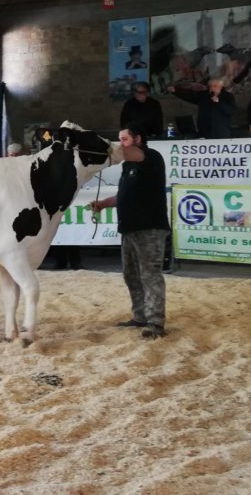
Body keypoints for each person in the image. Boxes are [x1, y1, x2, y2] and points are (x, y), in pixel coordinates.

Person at [89, 123, 170, 340]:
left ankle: (156, 322)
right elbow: (122, 196)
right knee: (131, 275)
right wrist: (104, 203)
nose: (121, 143)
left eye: (125, 139)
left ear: (138, 139)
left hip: (150, 227)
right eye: (120, 139)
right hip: (130, 228)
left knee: (150, 275)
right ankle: (140, 316)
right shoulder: (127, 167)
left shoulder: (151, 157)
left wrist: (101, 146)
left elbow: (129, 153)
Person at [167, 78, 235, 139]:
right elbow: (190, 95)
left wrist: (219, 102)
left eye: (215, 86)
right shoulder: (204, 95)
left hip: (221, 132)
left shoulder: (228, 96)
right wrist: (176, 91)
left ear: (221, 87)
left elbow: (230, 110)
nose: (212, 88)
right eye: (210, 86)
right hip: (205, 131)